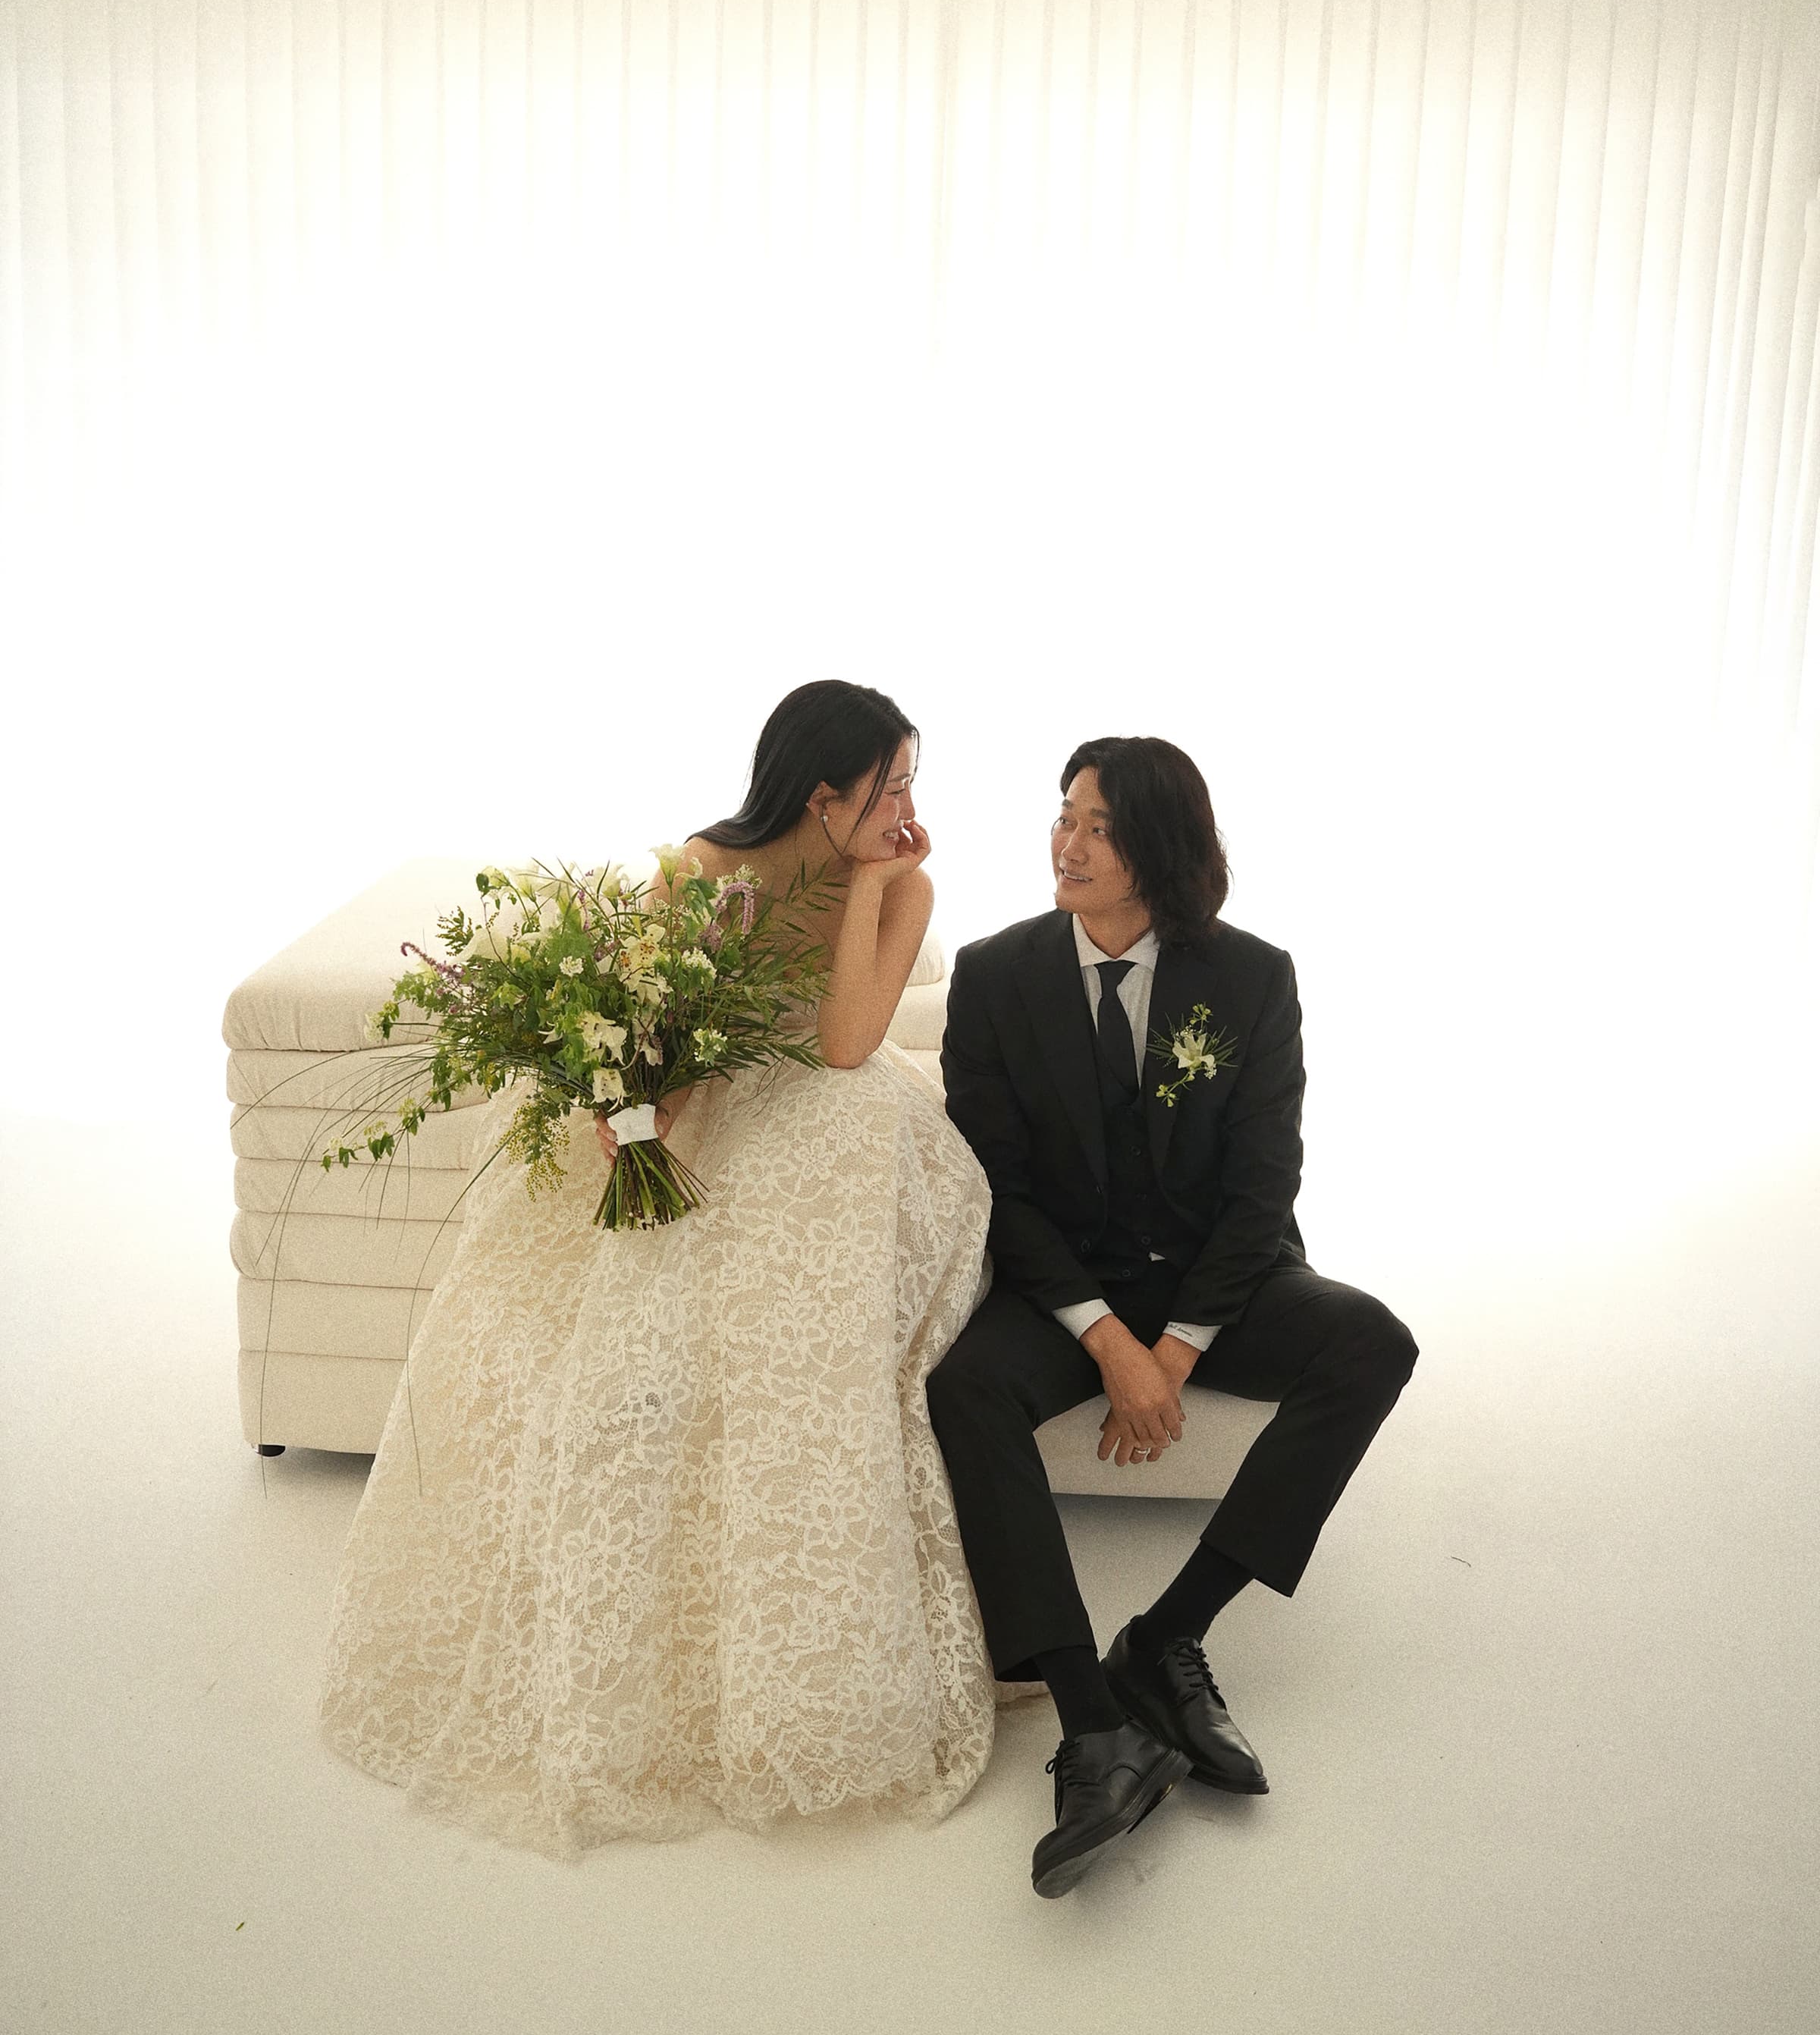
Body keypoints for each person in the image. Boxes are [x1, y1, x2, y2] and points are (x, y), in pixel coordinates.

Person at [318, 680, 1021, 1861]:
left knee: (835, 1171)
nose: (911, 807)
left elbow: (848, 1044)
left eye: (913, 782)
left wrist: (869, 882)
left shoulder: (905, 885)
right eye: (890, 786)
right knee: (627, 1293)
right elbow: (665, 1037)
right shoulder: (701, 872)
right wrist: (638, 1121)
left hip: (826, 1102)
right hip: (703, 1101)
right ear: (824, 793)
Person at [929, 736, 1420, 1898]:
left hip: (1214, 1281)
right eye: (1064, 815)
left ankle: (1167, 1637)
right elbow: (998, 1190)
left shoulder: (1251, 978)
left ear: (1157, 847)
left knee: (1373, 1341)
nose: (1067, 842)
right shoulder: (995, 977)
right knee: (965, 1387)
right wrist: (1110, 1344)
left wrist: (1178, 1351)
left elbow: (1263, 1190)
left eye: (1098, 825)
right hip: (1067, 1286)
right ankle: (1094, 1722)